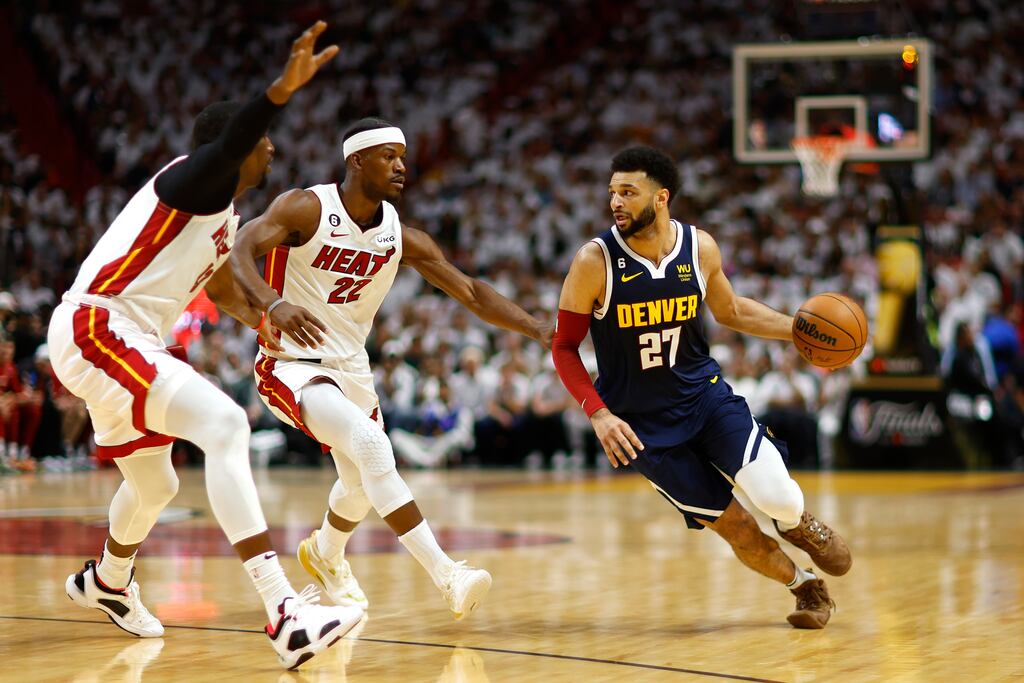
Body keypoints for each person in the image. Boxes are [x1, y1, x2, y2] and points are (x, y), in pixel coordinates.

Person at [47, 22, 365, 669]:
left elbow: (219, 287)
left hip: (119, 340)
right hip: (97, 325)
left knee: (156, 482)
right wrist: (280, 90)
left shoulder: (223, 218)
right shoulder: (191, 184)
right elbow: (241, 136)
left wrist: (265, 318)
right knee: (224, 423)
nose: (271, 150)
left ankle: (107, 580)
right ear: (232, 149)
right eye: (264, 141)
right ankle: (284, 611)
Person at [230, 117, 551, 620]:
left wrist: (539, 330)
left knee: (360, 484)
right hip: (290, 363)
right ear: (356, 160)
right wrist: (272, 304)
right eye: (388, 156)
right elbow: (240, 250)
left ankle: (325, 553)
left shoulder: (399, 235)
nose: (401, 165)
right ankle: (448, 574)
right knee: (374, 446)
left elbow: (469, 291)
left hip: (352, 368)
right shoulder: (306, 207)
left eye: (403, 156)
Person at [550, 146, 852, 629]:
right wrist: (598, 413)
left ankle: (799, 523)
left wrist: (796, 330)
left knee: (776, 498)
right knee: (737, 528)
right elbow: (564, 347)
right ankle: (806, 587)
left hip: (705, 399)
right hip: (641, 429)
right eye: (612, 192)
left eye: (629, 192)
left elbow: (731, 311)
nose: (616, 202)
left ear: (662, 197)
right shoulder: (595, 261)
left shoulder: (699, 247)